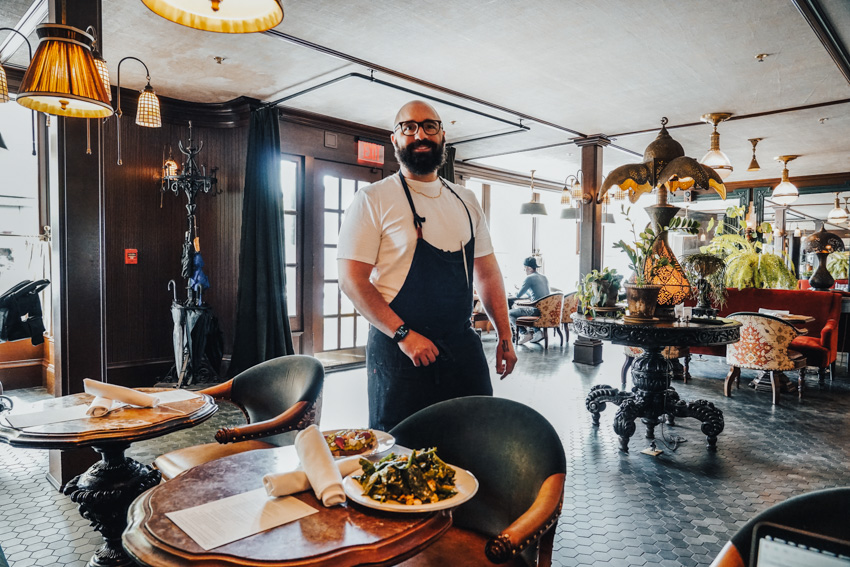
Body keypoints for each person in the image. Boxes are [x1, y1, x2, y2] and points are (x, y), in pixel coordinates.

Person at [337, 100, 517, 432]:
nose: (420, 135)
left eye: (429, 126)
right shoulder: (373, 199)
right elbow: (351, 280)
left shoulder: (466, 200)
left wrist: (505, 334)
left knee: (475, 441)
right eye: (408, 127)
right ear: (395, 140)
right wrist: (403, 335)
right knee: (401, 455)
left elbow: (487, 272)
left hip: (460, 346)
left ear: (442, 135)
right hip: (399, 350)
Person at [509, 256, 550, 345]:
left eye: (525, 268)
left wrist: (516, 291)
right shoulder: (544, 277)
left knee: (510, 313)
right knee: (528, 308)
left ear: (529, 268)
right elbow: (535, 294)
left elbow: (518, 295)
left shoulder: (529, 278)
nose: (524, 271)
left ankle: (524, 334)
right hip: (546, 310)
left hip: (536, 311)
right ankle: (538, 332)